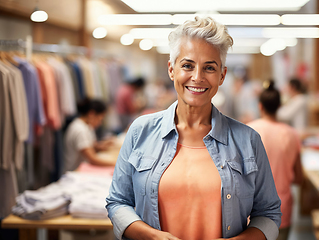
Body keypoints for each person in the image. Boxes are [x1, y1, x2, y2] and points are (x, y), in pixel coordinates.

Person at [106, 17, 281, 240]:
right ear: (171, 69)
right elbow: (118, 202)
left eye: (209, 67)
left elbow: (268, 213)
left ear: (222, 75)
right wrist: (152, 236)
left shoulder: (248, 140)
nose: (197, 78)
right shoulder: (140, 131)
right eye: (187, 65)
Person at [247, 81, 303, 240]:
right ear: (280, 106)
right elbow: (299, 179)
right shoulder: (292, 134)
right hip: (282, 209)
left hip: (252, 211)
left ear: (260, 106)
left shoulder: (248, 131)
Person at [64, 98, 115, 172]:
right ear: (92, 114)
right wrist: (115, 163)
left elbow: (92, 146)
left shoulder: (86, 126)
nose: (100, 123)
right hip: (75, 172)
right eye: (100, 119)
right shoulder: (80, 130)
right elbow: (92, 159)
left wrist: (103, 145)